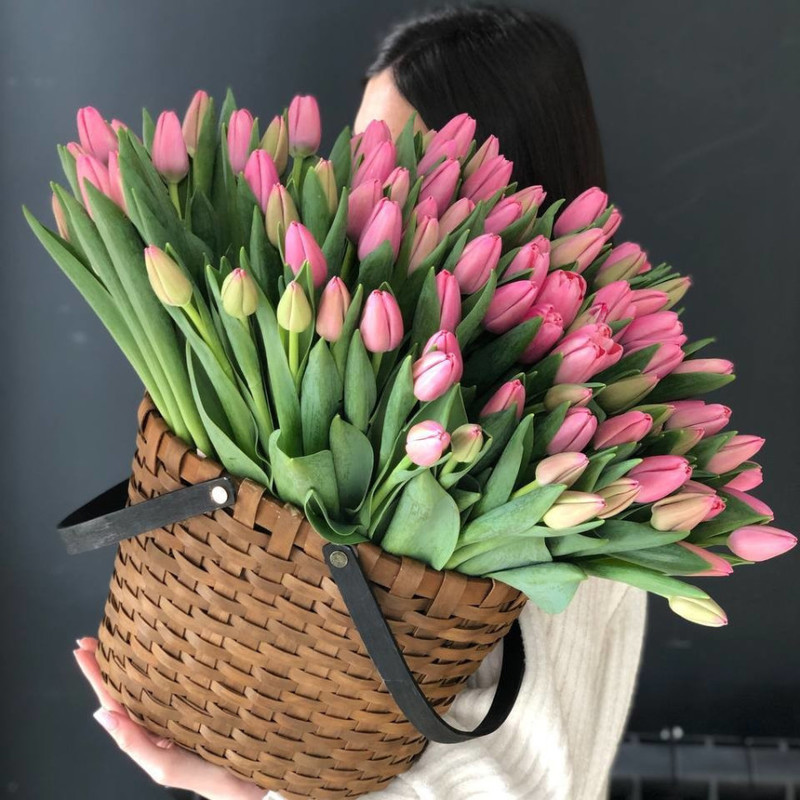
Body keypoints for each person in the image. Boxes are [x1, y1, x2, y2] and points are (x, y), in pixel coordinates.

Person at [73, 4, 648, 799]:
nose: (359, 189)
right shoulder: (364, 366)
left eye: (404, 161)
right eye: (361, 149)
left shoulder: (577, 446)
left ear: (509, 184)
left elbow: (530, 782)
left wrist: (240, 793)